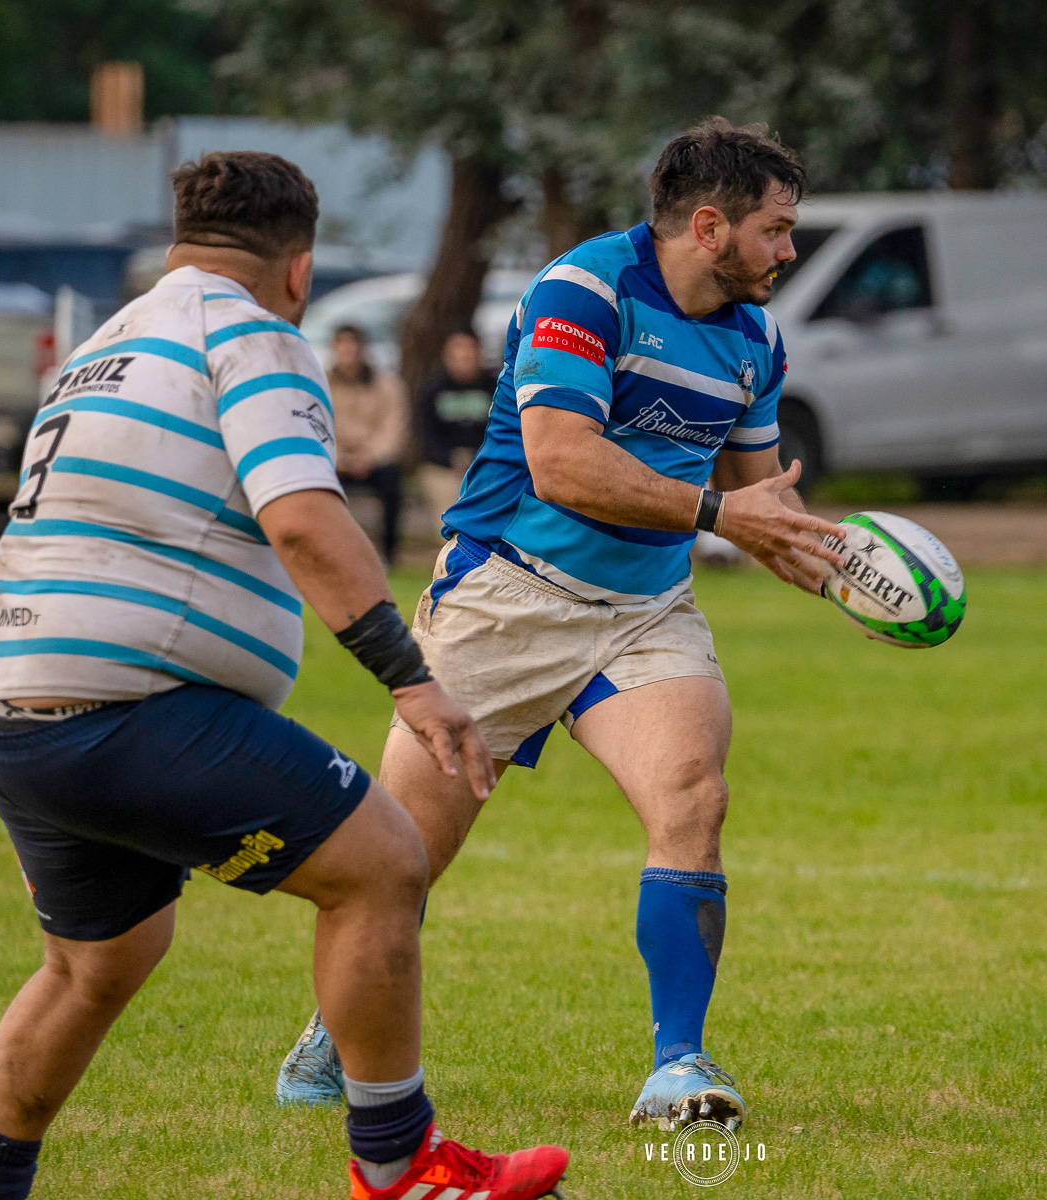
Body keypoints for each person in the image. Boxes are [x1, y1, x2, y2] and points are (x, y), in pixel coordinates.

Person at [0, 151, 567, 1200]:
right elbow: (306, 520)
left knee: (97, 963)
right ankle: (400, 1167)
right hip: (121, 707)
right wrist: (411, 681)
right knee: (384, 865)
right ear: (299, 270)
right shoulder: (253, 334)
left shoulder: (105, 343)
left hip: (6, 703)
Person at [274, 118, 847, 1132]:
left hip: (642, 612)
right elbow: (563, 463)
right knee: (397, 862)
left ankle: (680, 1067)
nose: (789, 252)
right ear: (709, 226)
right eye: (777, 229)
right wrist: (720, 515)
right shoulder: (585, 292)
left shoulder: (756, 337)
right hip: (506, 598)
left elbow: (766, 503)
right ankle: (333, 1033)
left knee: (692, 798)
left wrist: (855, 570)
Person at [328, 324, 409, 563]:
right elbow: (316, 425)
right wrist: (340, 459)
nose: (348, 354)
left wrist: (369, 458)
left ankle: (389, 553)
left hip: (374, 461)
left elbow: (394, 428)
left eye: (353, 347)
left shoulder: (387, 384)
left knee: (392, 482)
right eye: (343, 348)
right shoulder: (322, 383)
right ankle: (331, 549)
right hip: (335, 459)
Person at [414, 328, 494, 528]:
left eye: (469, 348)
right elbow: (426, 436)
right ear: (446, 355)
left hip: (485, 462)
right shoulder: (432, 389)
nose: (464, 355)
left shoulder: (496, 388)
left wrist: (477, 459)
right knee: (450, 505)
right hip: (442, 466)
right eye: (458, 349)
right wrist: (451, 460)